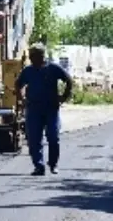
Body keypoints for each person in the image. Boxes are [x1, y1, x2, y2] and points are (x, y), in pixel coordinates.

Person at [14, 42, 73, 176]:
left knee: (53, 136)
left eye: (34, 56)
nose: (32, 59)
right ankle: (38, 166)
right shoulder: (28, 71)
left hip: (51, 108)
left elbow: (68, 81)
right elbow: (18, 85)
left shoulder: (53, 69)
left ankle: (53, 164)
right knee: (34, 138)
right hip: (34, 108)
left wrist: (64, 97)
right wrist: (22, 100)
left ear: (41, 56)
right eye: (31, 56)